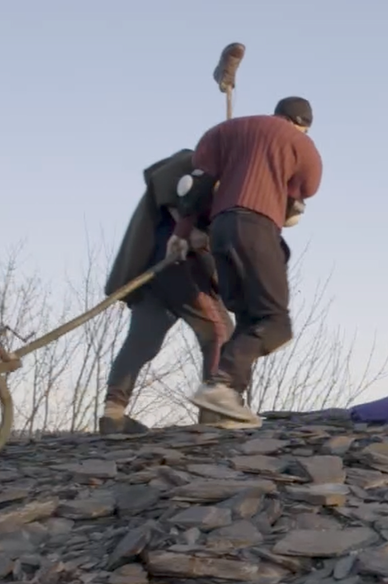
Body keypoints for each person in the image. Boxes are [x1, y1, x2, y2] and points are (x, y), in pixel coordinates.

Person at [175, 95, 322, 426]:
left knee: (248, 319)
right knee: (275, 323)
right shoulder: (300, 142)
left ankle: (229, 406)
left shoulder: (226, 130)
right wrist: (288, 196)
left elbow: (196, 186)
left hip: (220, 230)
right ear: (303, 124)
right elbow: (308, 186)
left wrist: (181, 232)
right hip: (256, 227)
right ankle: (222, 385)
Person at [97, 149, 244, 436]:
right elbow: (162, 175)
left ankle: (113, 413)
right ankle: (214, 414)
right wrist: (185, 228)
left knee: (143, 341)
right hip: (177, 266)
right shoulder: (199, 161)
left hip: (156, 271)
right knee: (218, 332)